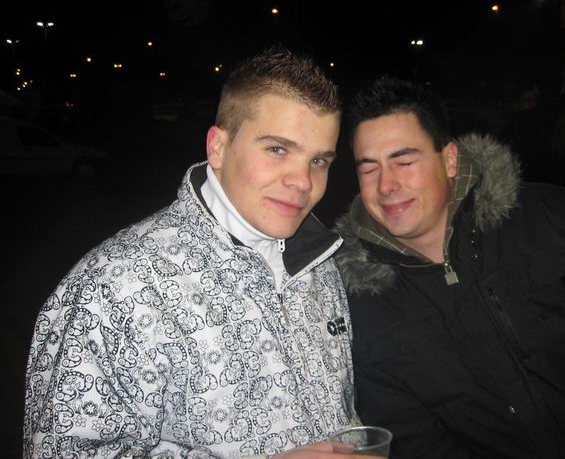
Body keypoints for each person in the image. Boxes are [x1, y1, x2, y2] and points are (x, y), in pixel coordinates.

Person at [23, 48, 359, 458]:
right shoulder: (113, 286)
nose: (303, 181)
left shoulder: (319, 265)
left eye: (319, 160)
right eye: (277, 149)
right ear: (218, 147)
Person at [334, 77, 565, 458]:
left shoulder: (549, 219)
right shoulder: (361, 298)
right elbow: (411, 436)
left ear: (449, 159)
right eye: (369, 169)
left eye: (404, 161)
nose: (386, 185)